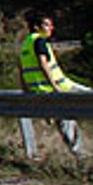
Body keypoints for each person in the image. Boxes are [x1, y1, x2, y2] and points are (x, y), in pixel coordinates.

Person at [18, 15, 87, 153]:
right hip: (58, 87)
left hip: (39, 90)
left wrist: (26, 90)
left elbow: (21, 69)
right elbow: (43, 64)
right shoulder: (40, 41)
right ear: (37, 27)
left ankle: (78, 153)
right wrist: (55, 87)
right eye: (47, 25)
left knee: (64, 121)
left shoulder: (26, 43)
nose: (51, 28)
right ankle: (80, 155)